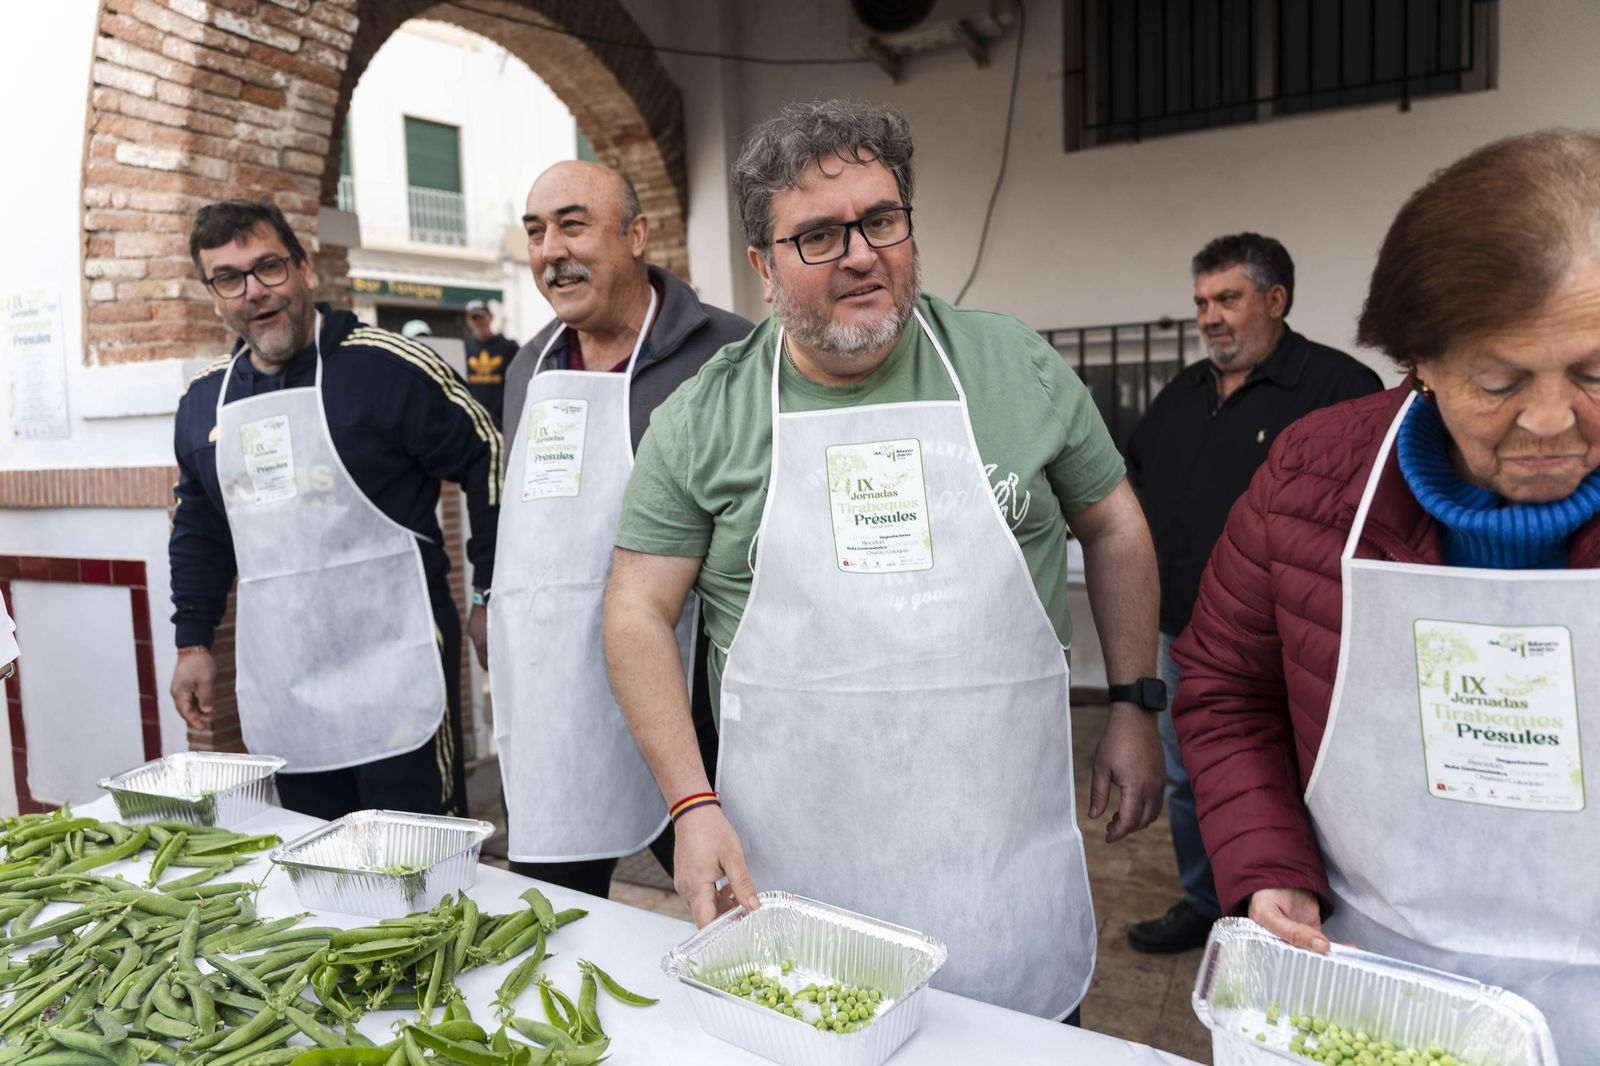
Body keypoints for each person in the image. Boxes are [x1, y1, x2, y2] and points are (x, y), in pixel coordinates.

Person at [603, 99, 1164, 1023]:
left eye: (882, 220)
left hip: (998, 866)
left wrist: (1136, 705)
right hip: (798, 874)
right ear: (762, 267)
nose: (861, 253)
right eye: (818, 235)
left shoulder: (1010, 364)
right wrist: (690, 804)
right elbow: (635, 610)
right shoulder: (707, 416)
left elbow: (1115, 526)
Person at [1173, 130, 1600, 1059]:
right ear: (1422, 363)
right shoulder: (1316, 477)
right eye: (1499, 380)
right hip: (1371, 975)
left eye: (1595, 371)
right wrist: (1267, 866)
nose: (1551, 420)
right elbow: (1227, 688)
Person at [169, 199, 502, 821]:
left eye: (269, 267)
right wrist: (192, 641)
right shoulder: (202, 403)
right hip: (286, 683)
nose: (254, 292)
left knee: (422, 856)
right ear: (213, 295)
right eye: (229, 278)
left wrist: (489, 593)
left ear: (304, 270)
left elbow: (488, 456)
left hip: (398, 669)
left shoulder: (387, 368)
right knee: (315, 860)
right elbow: (200, 529)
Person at [491, 161, 750, 898]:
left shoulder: (727, 355)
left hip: (695, 714)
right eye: (536, 232)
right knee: (552, 924)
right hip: (561, 705)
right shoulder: (527, 371)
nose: (550, 250)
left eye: (573, 224)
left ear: (636, 236)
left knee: (740, 918)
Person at [1123, 234, 1381, 953]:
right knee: (1191, 778)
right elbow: (1134, 480)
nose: (1210, 316)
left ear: (1276, 300)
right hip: (1189, 636)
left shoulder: (1341, 390)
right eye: (1202, 301)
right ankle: (1210, 905)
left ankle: (1308, 919)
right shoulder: (1182, 393)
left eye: (1227, 299)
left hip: (1301, 638)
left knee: (1300, 783)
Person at [463, 300, 516, 427]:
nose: (478, 322)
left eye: (481, 317)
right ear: (468, 321)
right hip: (473, 417)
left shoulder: (508, 346)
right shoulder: (464, 347)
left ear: (490, 317)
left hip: (502, 417)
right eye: (474, 318)